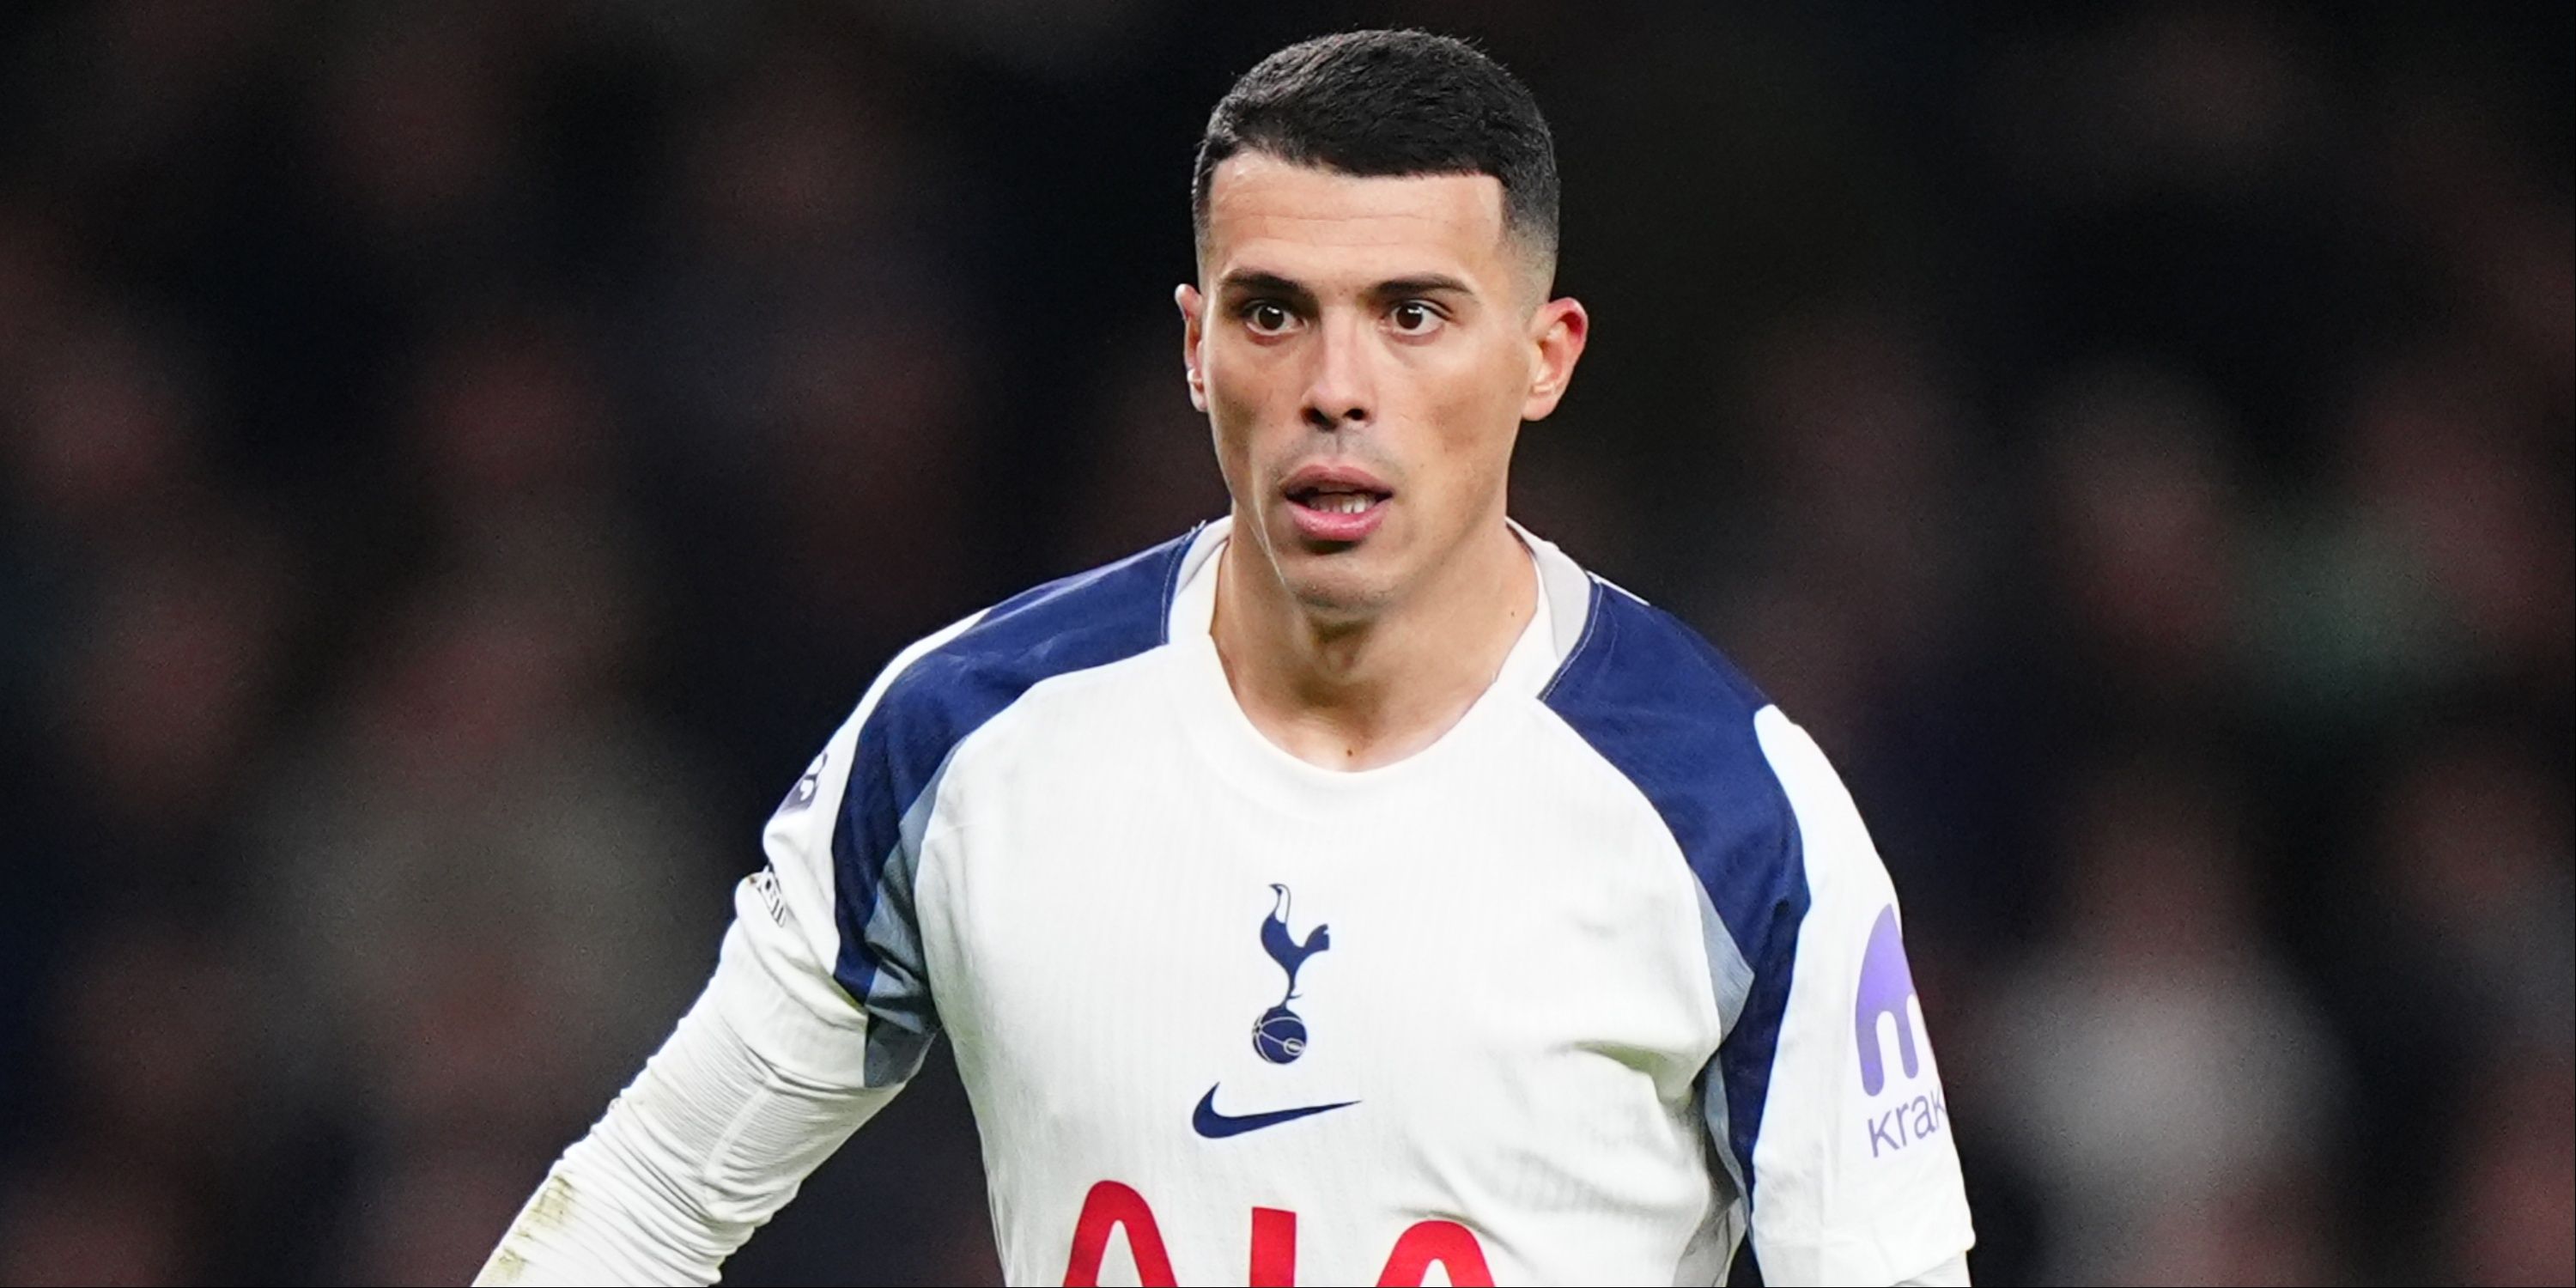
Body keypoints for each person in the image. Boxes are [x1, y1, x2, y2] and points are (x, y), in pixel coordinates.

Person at [477, 29, 1973, 1287]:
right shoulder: (967, 739)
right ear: (1196, 348)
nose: (1337, 388)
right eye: (1275, 313)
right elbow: (643, 1208)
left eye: (1413, 316)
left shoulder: (1729, 810)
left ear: (1544, 356)